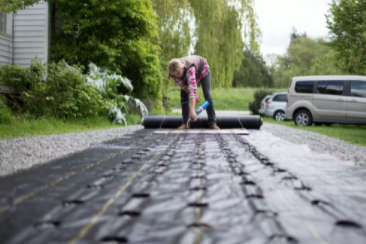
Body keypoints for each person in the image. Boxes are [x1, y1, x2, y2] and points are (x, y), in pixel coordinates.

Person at [168, 55, 220, 130]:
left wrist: (192, 110)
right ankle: (185, 123)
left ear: (182, 67)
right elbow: (183, 85)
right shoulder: (173, 72)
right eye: (175, 74)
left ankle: (212, 123)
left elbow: (192, 89)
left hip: (203, 70)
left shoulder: (190, 69)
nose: (177, 76)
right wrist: (194, 97)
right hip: (187, 74)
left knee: (207, 94)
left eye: (178, 73)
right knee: (183, 96)